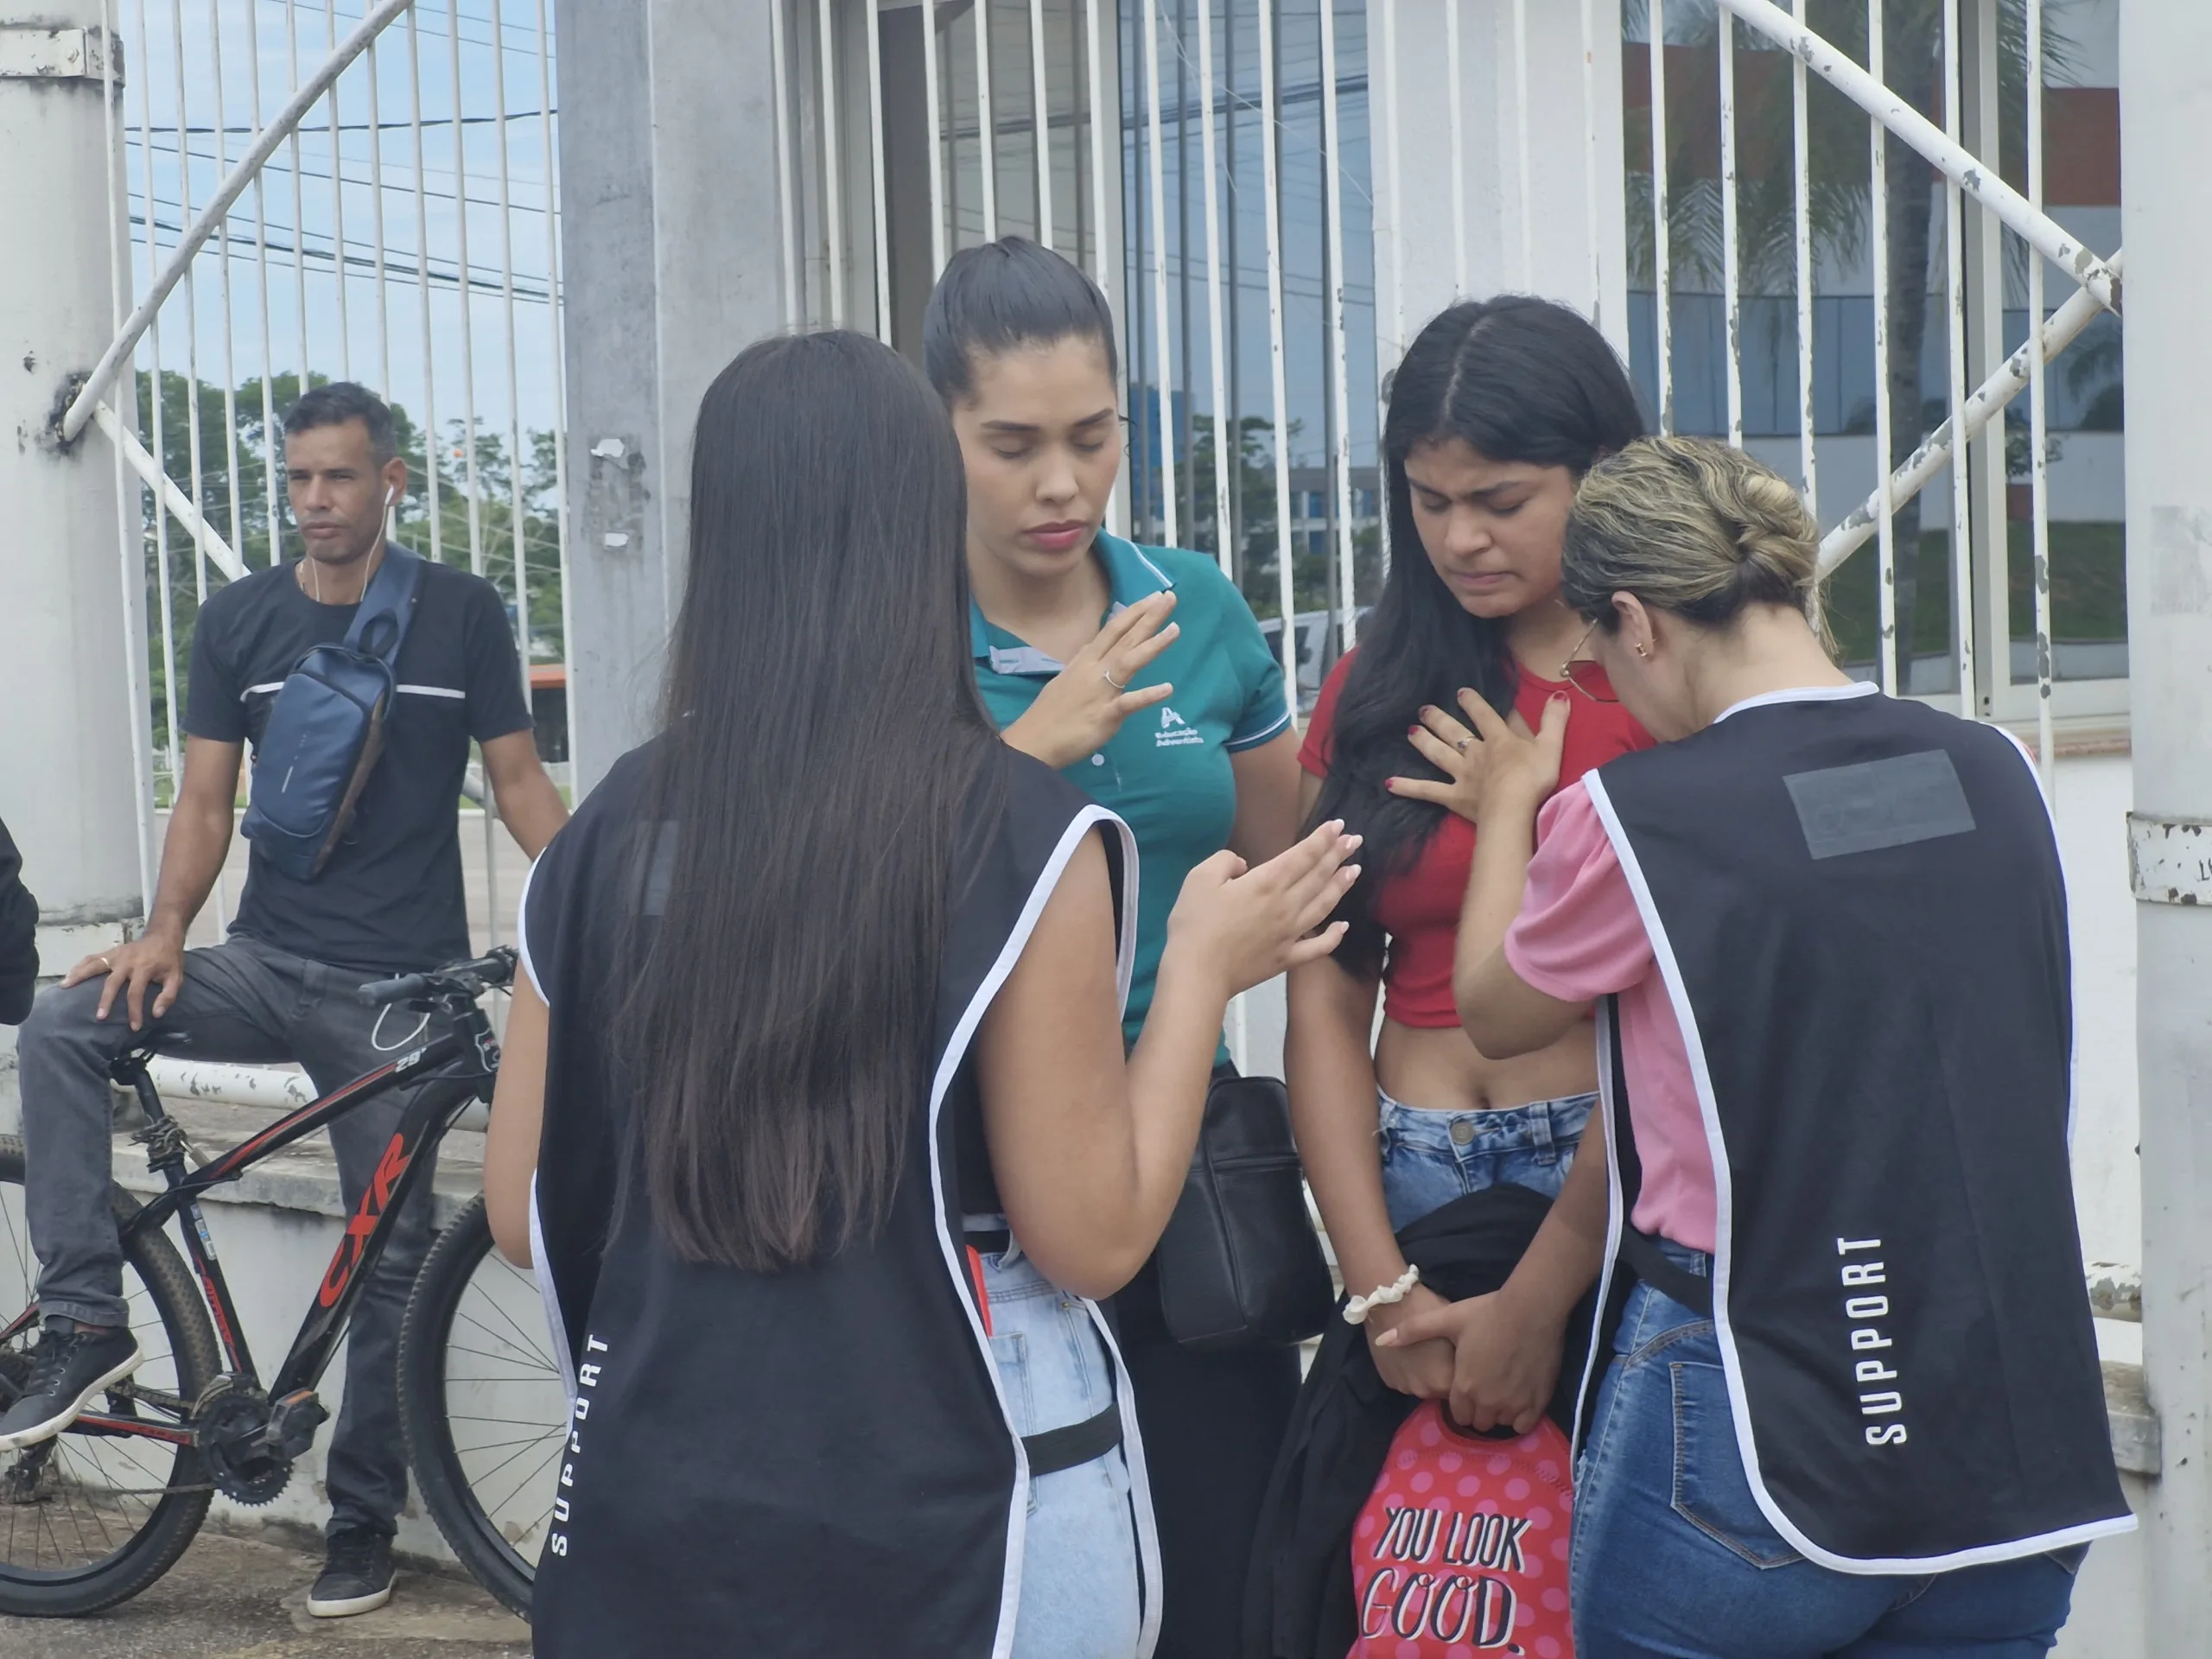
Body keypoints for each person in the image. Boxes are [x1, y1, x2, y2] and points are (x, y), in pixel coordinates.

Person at [483, 329, 1360, 1656]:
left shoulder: (609, 830)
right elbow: (1095, 1236)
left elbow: (518, 1207)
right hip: (962, 1510)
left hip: (665, 1505)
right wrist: (1196, 969)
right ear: (920, 523)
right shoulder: (1012, 827)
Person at [1395, 436, 2131, 1656]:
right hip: (2005, 1419)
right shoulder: (1993, 768)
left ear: (1636, 621)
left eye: (1599, 665)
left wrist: (1515, 800)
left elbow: (1494, 1007)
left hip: (1746, 1397)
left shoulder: (1640, 820)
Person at [2, 382, 569, 1618]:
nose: (316, 503)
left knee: (400, 1255)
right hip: (262, 963)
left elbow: (519, 783)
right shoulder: (240, 621)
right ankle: (86, 1323)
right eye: (299, 481)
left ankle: (359, 1522)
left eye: (340, 480)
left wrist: (589, 906)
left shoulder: (462, 616)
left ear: (391, 483)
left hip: (398, 991)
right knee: (60, 1023)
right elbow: (205, 800)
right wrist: (162, 934)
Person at [922, 236, 1306, 1656]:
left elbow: (1286, 869)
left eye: (1093, 439)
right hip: (973, 1185)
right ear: (939, 434)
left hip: (1185, 1164)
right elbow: (863, 913)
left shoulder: (1192, 605)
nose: (1061, 484)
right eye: (1011, 444)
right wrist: (1028, 752)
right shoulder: (896, 632)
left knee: (1223, 1566)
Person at [1286, 296, 1649, 1431]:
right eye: (1429, 502)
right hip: (1413, 1170)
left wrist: (1541, 1300)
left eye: (1501, 502)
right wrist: (1374, 1282)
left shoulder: (1668, 680)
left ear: (1600, 472)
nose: (1460, 540)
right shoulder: (1380, 687)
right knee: (1436, 1560)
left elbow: (1701, 1013)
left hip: (1615, 1171)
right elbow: (1325, 992)